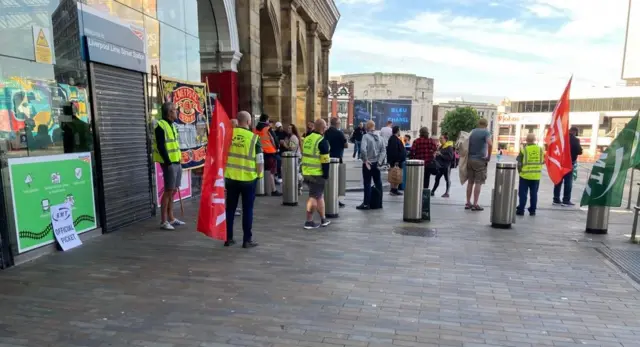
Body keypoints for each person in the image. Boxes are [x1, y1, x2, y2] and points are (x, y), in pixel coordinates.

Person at [224, 111, 263, 248]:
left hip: (231, 178)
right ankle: (247, 240)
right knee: (247, 209)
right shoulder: (254, 138)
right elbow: (259, 161)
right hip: (248, 180)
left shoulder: (228, 136)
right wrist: (259, 176)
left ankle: (228, 238)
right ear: (248, 122)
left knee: (230, 209)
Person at [153, 102, 186, 230]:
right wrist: (168, 162)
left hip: (176, 161)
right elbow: (161, 146)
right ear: (169, 112)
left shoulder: (173, 125)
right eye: (174, 110)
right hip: (169, 163)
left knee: (174, 190)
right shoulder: (161, 126)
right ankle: (163, 221)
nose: (177, 112)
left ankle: (171, 218)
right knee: (168, 191)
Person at [301, 119, 331, 229]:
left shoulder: (307, 138)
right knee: (313, 197)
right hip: (317, 174)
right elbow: (325, 161)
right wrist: (326, 175)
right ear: (323, 128)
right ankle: (309, 222)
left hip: (306, 171)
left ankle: (323, 219)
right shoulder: (322, 141)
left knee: (319, 196)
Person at [465, 118, 493, 211]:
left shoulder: (472, 131)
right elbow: (490, 144)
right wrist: (488, 157)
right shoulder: (486, 133)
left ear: (478, 124)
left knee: (470, 182)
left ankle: (468, 203)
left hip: (470, 160)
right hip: (480, 161)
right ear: (486, 125)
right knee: (478, 182)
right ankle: (475, 204)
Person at [357, 120, 385, 210]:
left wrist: (365, 160)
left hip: (368, 163)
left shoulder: (365, 137)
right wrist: (380, 161)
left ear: (367, 127)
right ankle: (379, 203)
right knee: (378, 183)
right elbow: (383, 150)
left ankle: (366, 203)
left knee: (367, 183)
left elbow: (363, 150)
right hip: (377, 163)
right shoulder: (380, 137)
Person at [553, 126, 583, 206]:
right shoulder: (575, 140)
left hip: (560, 163)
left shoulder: (561, 138)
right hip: (569, 164)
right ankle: (566, 200)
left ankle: (556, 199)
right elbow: (579, 151)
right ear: (575, 132)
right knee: (568, 182)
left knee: (558, 181)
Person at [254, 113, 282, 196]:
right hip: (270, 152)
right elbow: (274, 139)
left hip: (259, 152)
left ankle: (260, 190)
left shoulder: (256, 129)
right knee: (271, 172)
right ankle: (273, 190)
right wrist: (277, 147)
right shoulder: (268, 128)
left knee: (260, 170)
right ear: (266, 120)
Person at [517, 133, 543, 216]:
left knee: (522, 193)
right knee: (534, 194)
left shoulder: (523, 149)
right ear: (534, 140)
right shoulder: (540, 149)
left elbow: (519, 163)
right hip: (536, 176)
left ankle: (521, 210)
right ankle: (532, 210)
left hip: (525, 176)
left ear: (526, 140)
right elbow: (543, 161)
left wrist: (520, 172)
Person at [324, 117, 347, 207]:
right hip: (337, 159)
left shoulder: (326, 133)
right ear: (337, 124)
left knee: (328, 180)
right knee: (337, 181)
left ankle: (328, 199)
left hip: (327, 159)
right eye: (339, 123)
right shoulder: (339, 133)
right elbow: (346, 145)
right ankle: (335, 200)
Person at [386, 126, 406, 196]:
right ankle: (393, 190)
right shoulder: (393, 139)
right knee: (394, 175)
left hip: (397, 161)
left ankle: (395, 189)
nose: (400, 132)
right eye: (399, 130)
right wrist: (396, 160)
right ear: (397, 131)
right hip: (396, 162)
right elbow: (394, 151)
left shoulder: (395, 139)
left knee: (396, 175)